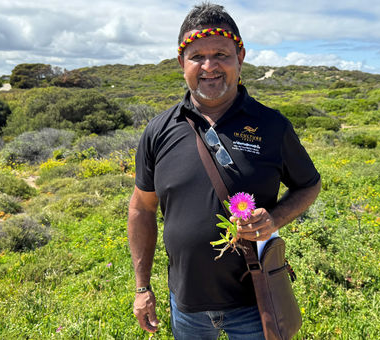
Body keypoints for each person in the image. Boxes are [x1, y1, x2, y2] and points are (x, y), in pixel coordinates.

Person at [128, 3, 321, 339]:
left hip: (256, 302)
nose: (209, 66)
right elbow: (141, 208)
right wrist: (142, 288)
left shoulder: (272, 126)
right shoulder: (158, 131)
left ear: (240, 57)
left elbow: (310, 185)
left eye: (221, 54)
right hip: (186, 306)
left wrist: (274, 219)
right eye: (197, 56)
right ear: (181, 63)